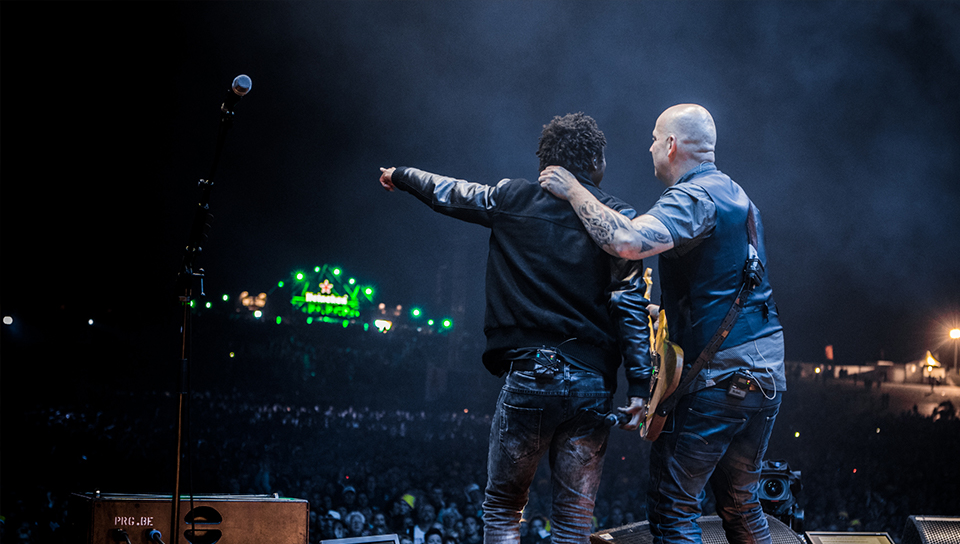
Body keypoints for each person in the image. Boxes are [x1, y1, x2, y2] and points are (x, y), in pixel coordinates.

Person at [379, 112, 653, 544]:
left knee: (504, 508)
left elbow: (451, 192)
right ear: (597, 162)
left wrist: (401, 174)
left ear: (545, 164)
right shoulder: (618, 218)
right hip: (591, 383)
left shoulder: (512, 198)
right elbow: (629, 302)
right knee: (574, 517)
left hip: (531, 374)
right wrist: (640, 384)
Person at [539, 104, 785, 543]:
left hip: (719, 380)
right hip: (765, 377)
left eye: (654, 138)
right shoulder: (738, 195)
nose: (649, 147)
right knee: (742, 504)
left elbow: (627, 241)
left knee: (673, 509)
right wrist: (663, 315)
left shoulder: (694, 197)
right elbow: (727, 287)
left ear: (671, 145)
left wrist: (574, 190)